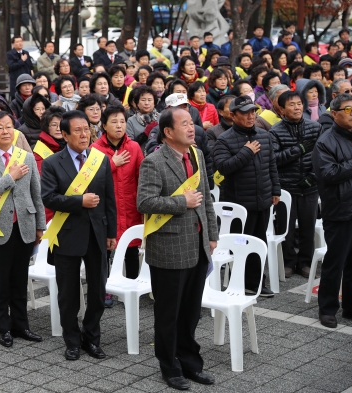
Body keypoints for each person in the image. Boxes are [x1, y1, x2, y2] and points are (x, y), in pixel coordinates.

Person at [136, 106, 218, 390]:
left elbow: (205, 197)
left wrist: (211, 233)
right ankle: (169, 367)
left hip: (197, 245)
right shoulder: (153, 162)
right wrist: (182, 202)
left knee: (191, 311)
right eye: (184, 124)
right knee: (169, 314)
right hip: (169, 248)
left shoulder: (195, 155)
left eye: (191, 122)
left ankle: (191, 363)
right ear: (168, 132)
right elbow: (144, 202)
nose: (191, 127)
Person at [40, 110, 117, 361]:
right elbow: (48, 198)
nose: (85, 135)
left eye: (87, 129)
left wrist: (112, 233)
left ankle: (91, 338)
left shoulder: (100, 159)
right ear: (64, 134)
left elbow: (109, 200)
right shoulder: (52, 163)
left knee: (97, 291)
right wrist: (79, 201)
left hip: (97, 235)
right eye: (78, 130)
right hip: (67, 235)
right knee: (68, 294)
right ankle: (72, 341)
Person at [0, 110, 46, 347]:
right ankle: (3, 327)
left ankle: (21, 325)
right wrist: (10, 176)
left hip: (24, 225)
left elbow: (36, 192)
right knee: (0, 280)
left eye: (9, 126)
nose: (6, 131)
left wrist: (40, 225)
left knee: (20, 278)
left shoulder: (26, 156)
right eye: (0, 128)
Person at [212, 96, 280, 297]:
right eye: (246, 113)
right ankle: (240, 283)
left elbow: (271, 165)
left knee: (260, 242)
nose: (251, 116)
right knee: (241, 245)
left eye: (253, 112)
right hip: (239, 203)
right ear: (233, 115)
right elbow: (223, 167)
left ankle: (258, 283)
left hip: (263, 200)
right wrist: (246, 152)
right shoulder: (224, 139)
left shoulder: (264, 135)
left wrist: (275, 189)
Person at [312, 93, 352, 328]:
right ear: (334, 114)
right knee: (335, 262)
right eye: (348, 109)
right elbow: (327, 175)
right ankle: (328, 308)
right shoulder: (325, 141)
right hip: (340, 210)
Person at [91, 104, 144, 303]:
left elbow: (141, 175)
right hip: (107, 208)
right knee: (105, 252)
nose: (119, 125)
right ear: (104, 125)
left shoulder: (134, 147)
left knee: (131, 249)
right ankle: (103, 289)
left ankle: (131, 289)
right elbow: (91, 178)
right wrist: (113, 163)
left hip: (130, 205)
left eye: (122, 121)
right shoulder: (95, 149)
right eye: (114, 121)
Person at [269, 91, 321, 279]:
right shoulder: (275, 131)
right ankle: (289, 262)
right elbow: (273, 160)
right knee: (287, 229)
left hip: (310, 186)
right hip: (286, 187)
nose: (297, 107)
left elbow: (323, 157)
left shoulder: (315, 128)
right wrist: (297, 150)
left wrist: (313, 177)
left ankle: (306, 262)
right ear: (282, 109)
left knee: (308, 226)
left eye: (299, 104)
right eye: (292, 104)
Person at [33, 108, 67, 220]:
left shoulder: (71, 145)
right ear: (47, 127)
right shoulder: (40, 151)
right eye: (54, 125)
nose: (58, 128)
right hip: (49, 210)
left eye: (61, 124)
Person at [126, 86, 159, 150]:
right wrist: (144, 135)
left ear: (154, 102)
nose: (146, 103)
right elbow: (129, 146)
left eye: (149, 100)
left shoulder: (162, 118)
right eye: (143, 100)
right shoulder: (130, 121)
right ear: (137, 103)